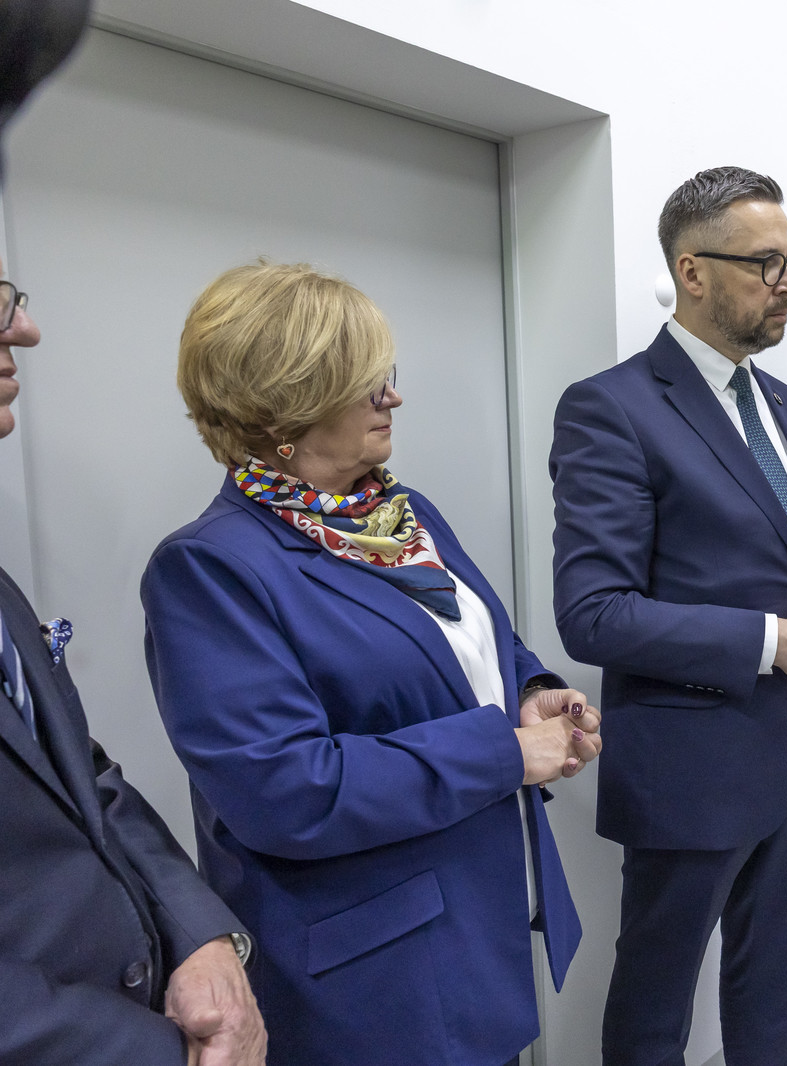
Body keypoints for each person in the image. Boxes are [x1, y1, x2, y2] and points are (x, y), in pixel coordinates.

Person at [140, 262, 601, 1066]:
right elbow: (288, 790)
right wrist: (506, 753)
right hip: (380, 977)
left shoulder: (400, 513)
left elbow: (476, 641)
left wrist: (532, 689)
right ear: (281, 407)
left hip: (475, 922)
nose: (393, 396)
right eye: (364, 382)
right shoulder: (210, 568)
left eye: (385, 372)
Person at [550, 166, 787, 1066]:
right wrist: (775, 643)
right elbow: (594, 614)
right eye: (766, 264)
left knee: (773, 1000)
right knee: (656, 1008)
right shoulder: (611, 409)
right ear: (691, 272)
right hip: (689, 769)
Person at [0, 3, 268, 1063]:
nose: (24, 326)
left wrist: (197, 929)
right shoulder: (210, 564)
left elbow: (82, 775)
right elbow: (285, 781)